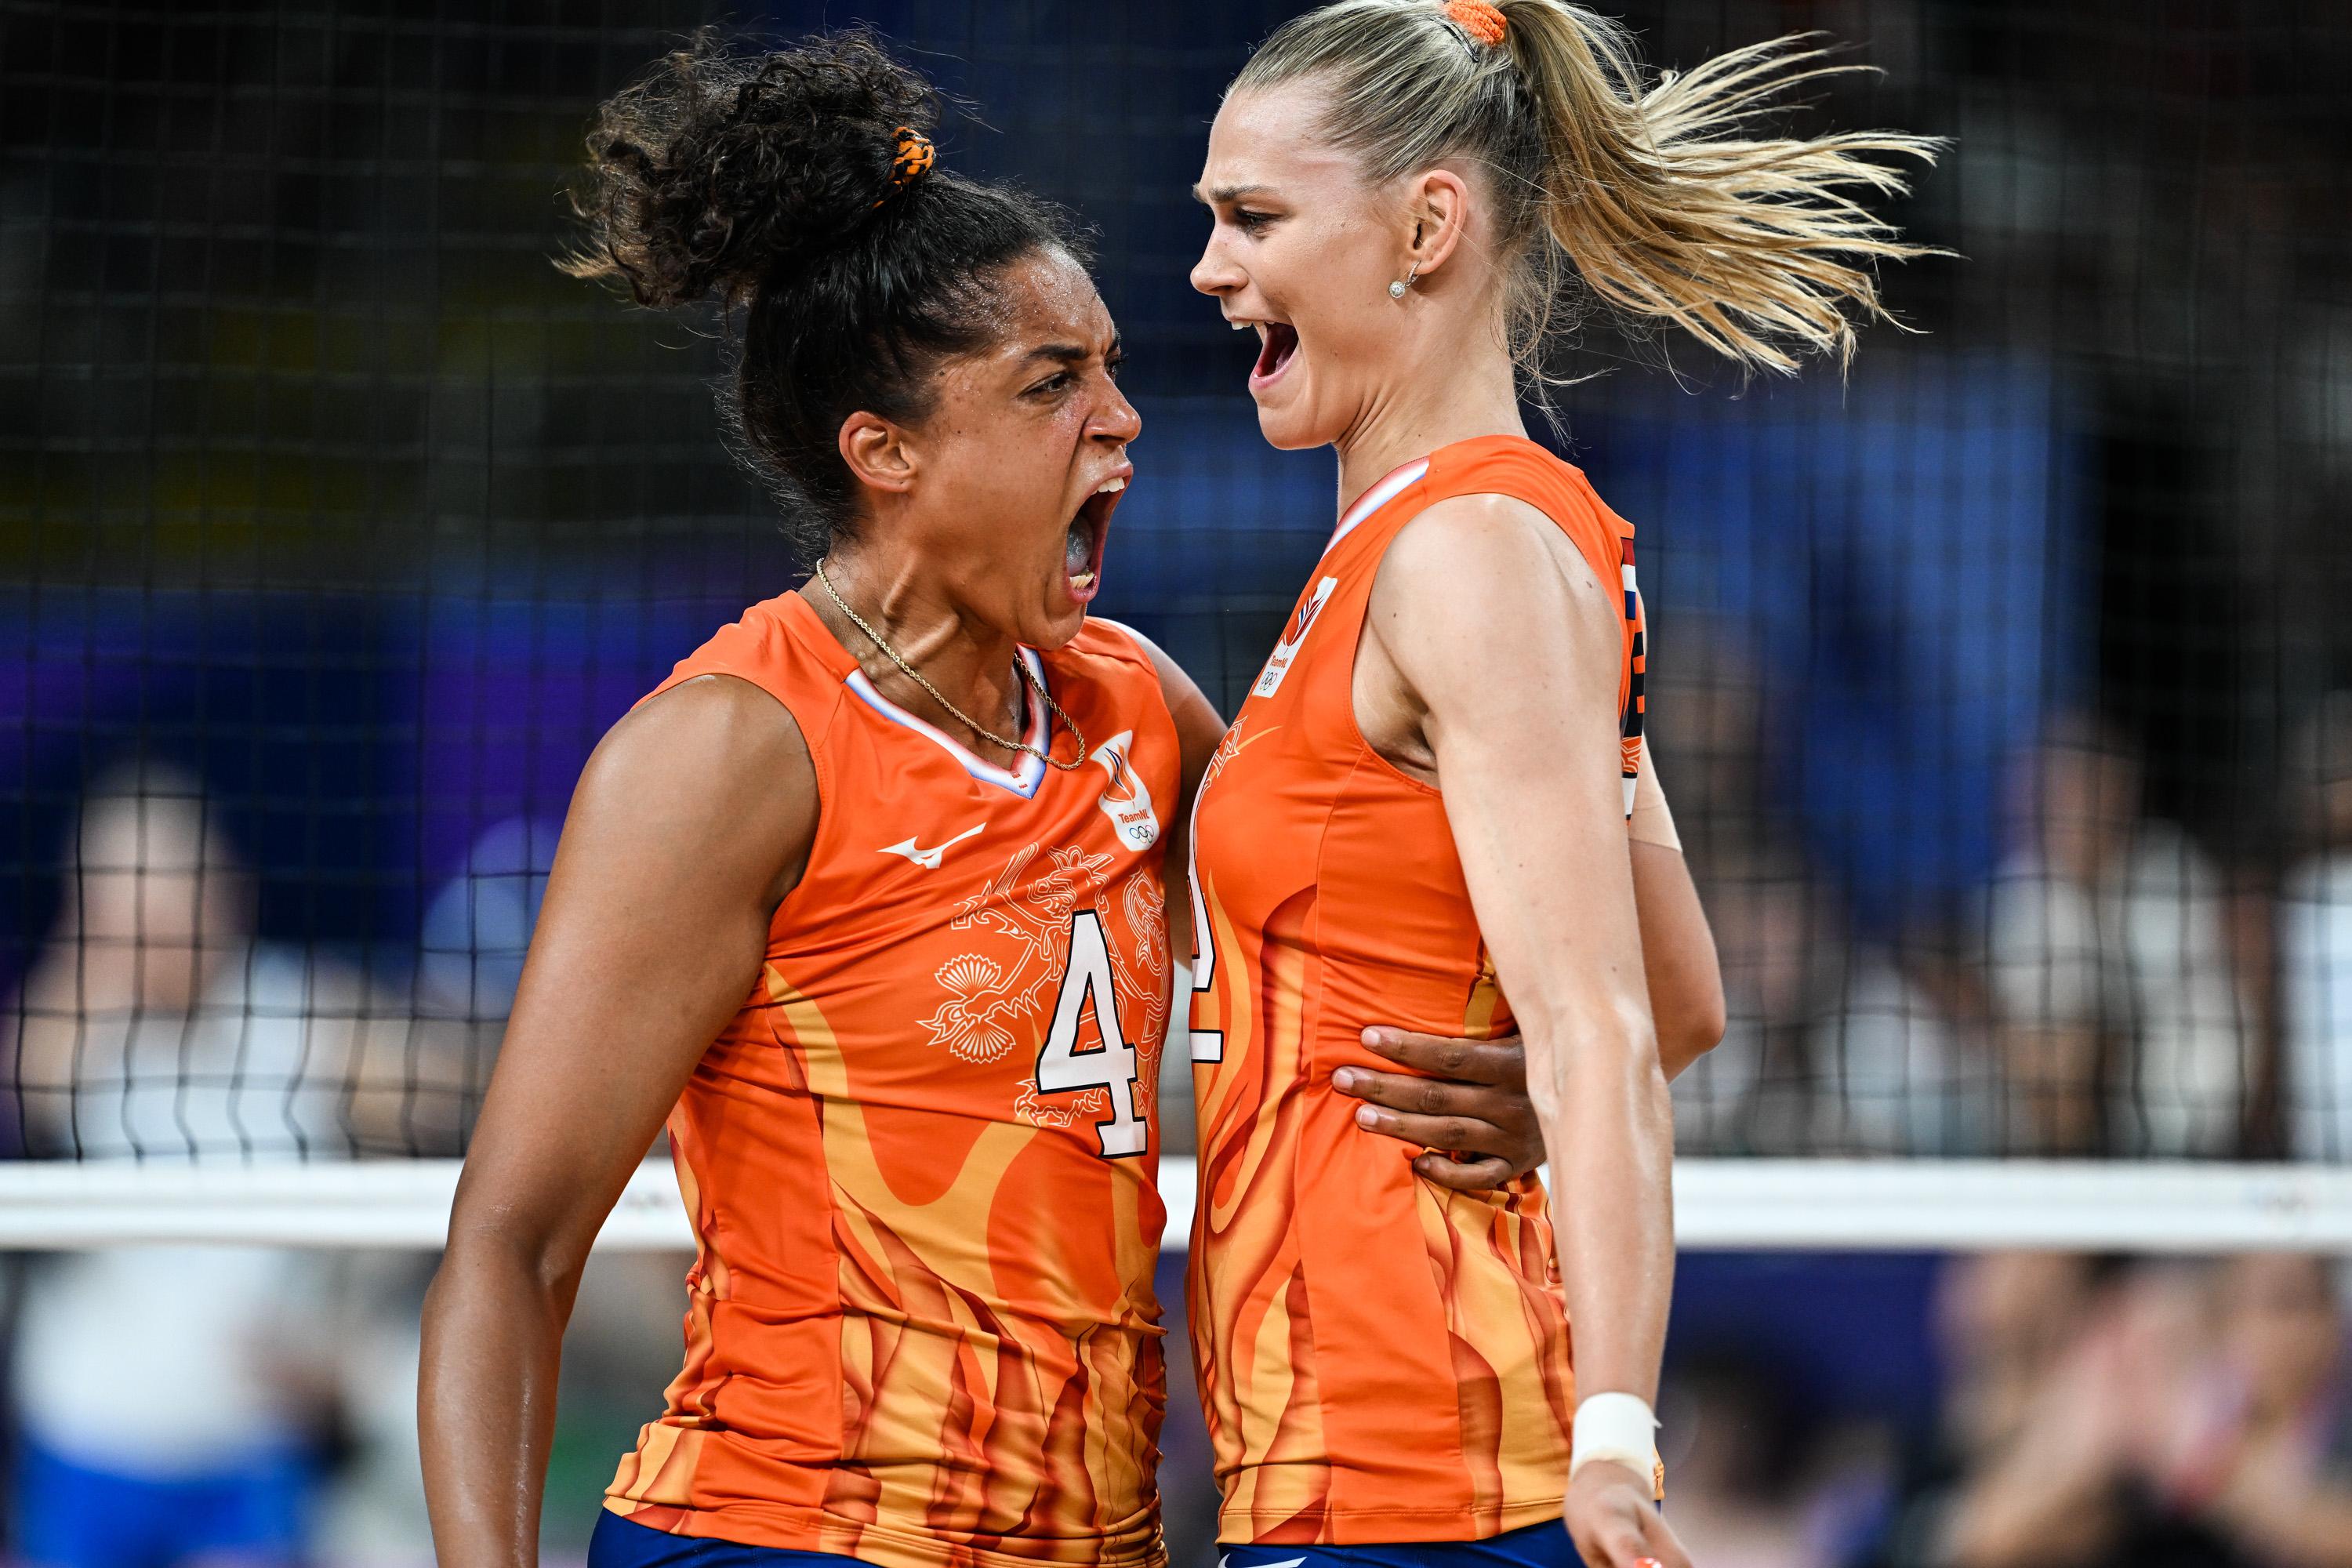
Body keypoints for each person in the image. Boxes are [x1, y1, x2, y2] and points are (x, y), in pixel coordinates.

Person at [416, 32, 1551, 1568]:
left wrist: (1538, 1079)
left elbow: (1344, 969)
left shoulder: (1135, 708)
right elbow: (513, 1245)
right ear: (885, 451)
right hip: (790, 1534)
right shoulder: (733, 751)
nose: (1122, 417)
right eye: (1052, 382)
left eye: (1113, 369)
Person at [1183, 2, 1934, 1565]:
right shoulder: (1471, 539)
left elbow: (1610, 1026)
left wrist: (1614, 1442)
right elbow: (1683, 993)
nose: (1208, 266)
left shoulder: (1469, 557)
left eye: (1253, 218)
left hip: (1415, 1467)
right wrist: (1532, 1086)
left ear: (1427, 227)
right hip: (1357, 1457)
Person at [6, 760, 438, 1568]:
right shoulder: (74, 1018)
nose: (159, 912)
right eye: (129, 889)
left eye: (179, 879)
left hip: (248, 1447)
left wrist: (347, 1337)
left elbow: (442, 1102)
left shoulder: (297, 1008)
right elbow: (24, 1086)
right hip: (87, 1442)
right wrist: (96, 950)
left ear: (224, 885)